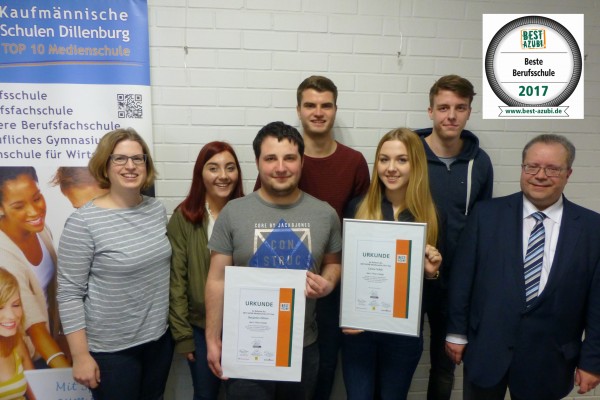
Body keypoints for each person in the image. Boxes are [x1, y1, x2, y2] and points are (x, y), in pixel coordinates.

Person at [445, 134, 600, 400]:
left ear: (568, 173)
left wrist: (592, 361)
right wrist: (456, 332)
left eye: (552, 168)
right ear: (522, 168)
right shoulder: (486, 215)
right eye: (532, 166)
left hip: (550, 359)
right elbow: (462, 279)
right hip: (487, 349)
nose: (540, 175)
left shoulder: (592, 228)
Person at [206, 121, 342, 400]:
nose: (281, 167)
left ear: (302, 161)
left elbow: (333, 263)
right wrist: (212, 339)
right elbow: (217, 280)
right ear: (257, 162)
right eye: (271, 158)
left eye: (289, 158)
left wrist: (327, 284)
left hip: (303, 348)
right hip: (245, 349)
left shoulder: (325, 214)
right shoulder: (233, 212)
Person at [256, 76, 370, 399]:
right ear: (299, 109)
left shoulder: (354, 163)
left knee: (323, 371)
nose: (318, 112)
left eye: (326, 105)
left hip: (333, 285)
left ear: (335, 109)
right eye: (310, 105)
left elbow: (366, 225)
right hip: (284, 287)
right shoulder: (282, 161)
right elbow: (259, 216)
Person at [57, 128, 173, 400]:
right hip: (112, 352)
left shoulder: (156, 210)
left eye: (138, 158)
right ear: (105, 166)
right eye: (119, 159)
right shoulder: (83, 223)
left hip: (158, 341)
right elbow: (69, 293)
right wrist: (80, 355)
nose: (130, 166)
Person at [341, 128, 443, 400]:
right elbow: (346, 273)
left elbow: (437, 296)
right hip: (360, 332)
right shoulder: (358, 208)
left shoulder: (431, 216)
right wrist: (346, 314)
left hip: (403, 335)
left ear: (416, 165)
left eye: (401, 160)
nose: (391, 168)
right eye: (384, 159)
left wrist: (431, 275)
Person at [415, 75, 493, 400]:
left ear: (469, 112)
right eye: (444, 107)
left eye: (460, 108)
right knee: (400, 356)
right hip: (411, 275)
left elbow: (484, 226)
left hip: (456, 284)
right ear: (430, 110)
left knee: (446, 366)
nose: (451, 115)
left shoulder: (480, 162)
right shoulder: (408, 154)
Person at [168, 141, 244, 400]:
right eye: (214, 168)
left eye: (230, 168)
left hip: (244, 325)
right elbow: (177, 279)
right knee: (205, 394)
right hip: (199, 327)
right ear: (201, 173)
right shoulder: (185, 217)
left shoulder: (249, 213)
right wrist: (183, 336)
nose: (223, 176)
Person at [0, 166, 69, 369]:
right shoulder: (4, 256)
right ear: (1, 208)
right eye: (19, 206)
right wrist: (65, 376)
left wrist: (64, 338)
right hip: (24, 356)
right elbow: (33, 325)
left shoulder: (40, 230)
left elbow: (54, 292)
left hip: (50, 345)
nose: (34, 211)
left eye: (37, 198)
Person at [0, 267, 36, 400]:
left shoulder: (16, 342)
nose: (11, 316)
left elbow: (36, 393)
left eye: (16, 305)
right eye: (0, 308)